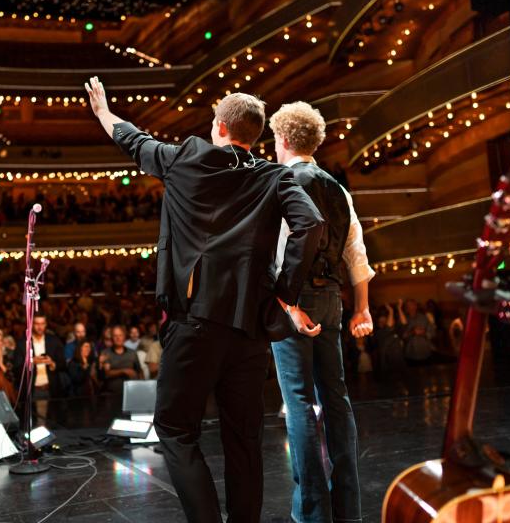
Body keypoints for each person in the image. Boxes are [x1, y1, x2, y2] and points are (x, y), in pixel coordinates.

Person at [86, 76, 323, 523]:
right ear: (255, 135)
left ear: (218, 126)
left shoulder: (185, 160)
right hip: (250, 329)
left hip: (194, 323)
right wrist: (283, 294)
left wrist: (103, 113)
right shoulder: (275, 176)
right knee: (244, 439)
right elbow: (310, 225)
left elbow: (134, 140)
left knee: (175, 430)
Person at [268, 101, 375, 523]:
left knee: (297, 404)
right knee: (336, 400)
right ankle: (348, 509)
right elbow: (356, 253)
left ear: (284, 139)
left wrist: (288, 305)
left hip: (295, 303)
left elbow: (281, 253)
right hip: (333, 299)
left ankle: (312, 511)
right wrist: (361, 309)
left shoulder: (281, 182)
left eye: (275, 139)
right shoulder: (337, 187)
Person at [13, 313, 66, 400]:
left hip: (52, 389)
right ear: (31, 324)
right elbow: (16, 370)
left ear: (46, 324)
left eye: (42, 323)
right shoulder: (22, 343)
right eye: (37, 323)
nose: (40, 327)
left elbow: (63, 364)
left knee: (54, 413)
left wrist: (53, 364)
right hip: (32, 391)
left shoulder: (54, 341)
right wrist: (31, 362)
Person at [98, 325, 143, 394]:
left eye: (120, 335)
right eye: (115, 336)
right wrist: (123, 371)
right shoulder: (106, 353)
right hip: (112, 393)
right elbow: (106, 373)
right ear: (112, 338)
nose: (118, 338)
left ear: (124, 337)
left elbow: (139, 371)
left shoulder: (132, 353)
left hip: (131, 392)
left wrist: (141, 386)